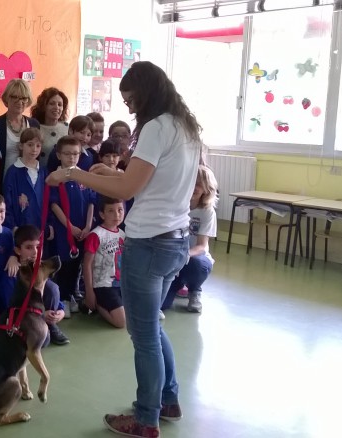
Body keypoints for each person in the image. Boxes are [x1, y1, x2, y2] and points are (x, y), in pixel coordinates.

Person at [47, 61, 203, 437]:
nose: (129, 108)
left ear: (147, 93)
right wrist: (108, 173)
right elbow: (149, 182)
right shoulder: (185, 126)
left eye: (131, 100)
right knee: (152, 327)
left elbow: (127, 192)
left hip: (149, 244)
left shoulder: (155, 127)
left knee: (144, 334)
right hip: (175, 240)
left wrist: (72, 173)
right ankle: (168, 399)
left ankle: (146, 419)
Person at [0, 225, 69, 345]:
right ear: (18, 250)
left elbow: (51, 292)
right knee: (42, 341)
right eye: (29, 247)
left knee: (52, 287)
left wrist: (60, 311)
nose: (35, 251)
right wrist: (40, 315)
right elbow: (10, 307)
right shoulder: (13, 273)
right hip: (22, 321)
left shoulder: (41, 267)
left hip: (39, 315)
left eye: (38, 247)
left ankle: (51, 326)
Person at [161, 165, 218, 314]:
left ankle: (195, 290)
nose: (194, 187)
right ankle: (178, 285)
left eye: (199, 184)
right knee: (162, 305)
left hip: (192, 258)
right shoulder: (176, 204)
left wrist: (184, 255)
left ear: (207, 189)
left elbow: (202, 246)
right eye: (191, 182)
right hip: (173, 258)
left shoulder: (207, 211)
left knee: (198, 265)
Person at [49, 136, 95, 316]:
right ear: (59, 155)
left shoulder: (83, 176)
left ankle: (72, 295)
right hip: (65, 231)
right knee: (65, 265)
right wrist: (70, 227)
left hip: (83, 230)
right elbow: (54, 205)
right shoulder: (55, 177)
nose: (72, 158)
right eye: (67, 154)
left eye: (75, 154)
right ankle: (63, 300)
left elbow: (92, 201)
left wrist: (88, 225)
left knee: (77, 264)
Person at [82, 197, 126, 329]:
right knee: (121, 323)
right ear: (102, 214)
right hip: (103, 285)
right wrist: (89, 291)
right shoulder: (96, 235)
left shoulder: (123, 234)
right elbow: (87, 264)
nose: (117, 215)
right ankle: (98, 306)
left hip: (121, 284)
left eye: (120, 210)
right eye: (111, 211)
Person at [0, 79, 40, 192]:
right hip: (3, 184)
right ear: (6, 99)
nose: (20, 101)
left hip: (29, 184)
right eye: (15, 97)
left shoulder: (34, 124)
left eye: (24, 98)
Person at [3, 127, 46, 231]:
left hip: (41, 227)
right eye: (30, 144)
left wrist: (49, 224)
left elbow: (48, 201)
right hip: (20, 227)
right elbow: (7, 202)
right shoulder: (13, 172)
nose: (34, 149)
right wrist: (12, 225)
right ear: (21, 146)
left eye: (38, 145)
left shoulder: (44, 172)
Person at [30, 87, 70, 168]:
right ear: (43, 106)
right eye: (52, 103)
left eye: (60, 104)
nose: (57, 107)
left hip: (63, 176)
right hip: (40, 175)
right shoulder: (34, 127)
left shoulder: (68, 128)